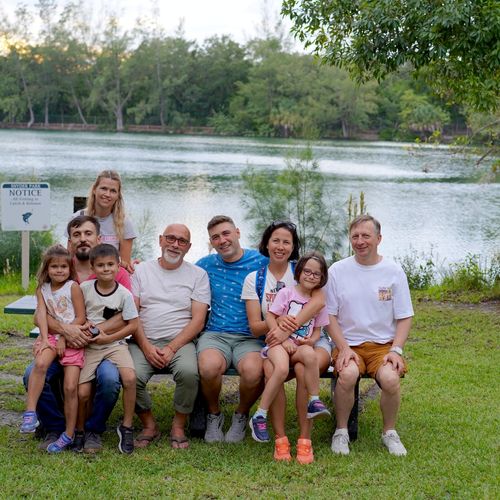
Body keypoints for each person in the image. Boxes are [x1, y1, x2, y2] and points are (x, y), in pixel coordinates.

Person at [23, 215, 128, 452]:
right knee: (32, 374)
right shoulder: (58, 270)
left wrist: (89, 331)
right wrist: (63, 332)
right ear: (70, 242)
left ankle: (91, 430)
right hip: (62, 345)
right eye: (77, 235)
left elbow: (127, 314)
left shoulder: (113, 270)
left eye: (88, 234)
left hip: (99, 346)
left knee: (110, 380)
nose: (83, 239)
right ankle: (54, 428)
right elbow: (39, 314)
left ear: (98, 238)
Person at [241, 221, 331, 463]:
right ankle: (279, 438)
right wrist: (281, 332)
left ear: (294, 247)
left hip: (303, 345)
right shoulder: (256, 278)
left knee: (303, 366)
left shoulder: (303, 270)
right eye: (275, 240)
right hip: (276, 344)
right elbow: (259, 323)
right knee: (273, 369)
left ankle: (305, 439)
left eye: (287, 242)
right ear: (267, 244)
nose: (280, 246)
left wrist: (291, 334)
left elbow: (319, 300)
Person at [326, 214, 414, 456]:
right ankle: (341, 431)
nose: (360, 241)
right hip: (348, 344)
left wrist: (396, 350)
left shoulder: (393, 271)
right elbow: (329, 317)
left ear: (378, 238)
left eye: (366, 235)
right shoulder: (337, 270)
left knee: (390, 379)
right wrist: (343, 348)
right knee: (348, 375)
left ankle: (389, 433)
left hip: (382, 347)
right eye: (355, 236)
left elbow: (405, 316)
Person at [129, 224, 210, 449]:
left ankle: (178, 425)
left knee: (189, 373)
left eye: (182, 241)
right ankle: (149, 425)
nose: (175, 244)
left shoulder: (198, 275)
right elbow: (132, 314)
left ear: (188, 247)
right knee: (130, 376)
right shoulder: (141, 271)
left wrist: (173, 348)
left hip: (180, 341)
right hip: (143, 339)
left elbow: (198, 320)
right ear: (160, 240)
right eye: (171, 238)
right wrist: (145, 347)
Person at [196, 215, 268, 443]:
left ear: (237, 232)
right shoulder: (205, 265)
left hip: (251, 336)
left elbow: (290, 274)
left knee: (253, 371)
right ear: (211, 242)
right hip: (216, 333)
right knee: (208, 368)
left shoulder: (261, 262)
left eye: (226, 233)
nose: (222, 240)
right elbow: (177, 273)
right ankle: (213, 414)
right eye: (215, 237)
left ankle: (241, 414)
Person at [21, 245, 86, 454]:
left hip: (72, 339)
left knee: (69, 388)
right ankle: (30, 413)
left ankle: (68, 433)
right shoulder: (42, 289)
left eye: (63, 267)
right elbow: (41, 314)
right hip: (50, 336)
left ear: (70, 268)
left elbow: (80, 317)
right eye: (54, 267)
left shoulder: (73, 287)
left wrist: (62, 337)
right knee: (40, 363)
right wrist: (43, 336)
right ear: (47, 269)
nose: (59, 271)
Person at [77, 243, 138, 454]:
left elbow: (132, 325)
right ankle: (80, 430)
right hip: (89, 346)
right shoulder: (84, 289)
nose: (106, 269)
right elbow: (78, 316)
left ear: (118, 265)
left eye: (110, 264)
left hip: (114, 344)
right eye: (100, 265)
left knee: (130, 378)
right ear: (92, 267)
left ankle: (127, 427)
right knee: (83, 392)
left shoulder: (124, 295)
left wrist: (108, 337)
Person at [74, 170, 137, 273]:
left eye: (113, 191)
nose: (107, 194)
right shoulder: (78, 218)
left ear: (118, 195)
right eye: (103, 188)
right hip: (81, 278)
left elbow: (124, 265)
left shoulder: (124, 223)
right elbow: (69, 257)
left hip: (110, 280)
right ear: (94, 190)